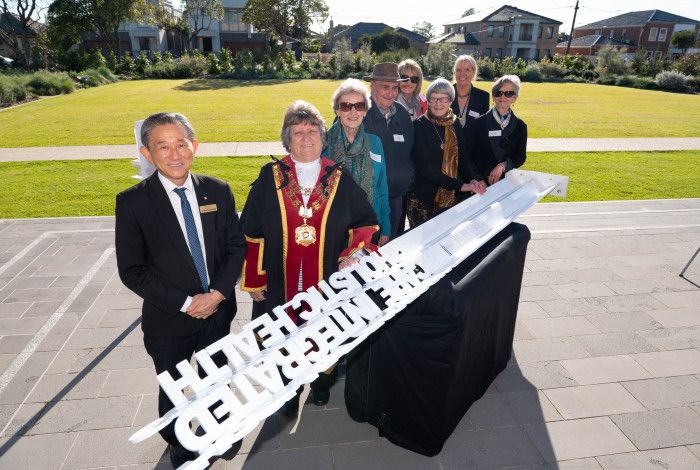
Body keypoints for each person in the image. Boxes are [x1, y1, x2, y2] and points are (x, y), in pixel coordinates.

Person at [115, 112, 246, 468]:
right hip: (168, 321)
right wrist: (188, 303)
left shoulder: (217, 190)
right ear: (146, 153)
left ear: (195, 146)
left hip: (217, 313)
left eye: (181, 144)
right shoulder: (133, 202)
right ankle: (179, 443)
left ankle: (219, 428)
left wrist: (217, 295)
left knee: (217, 377)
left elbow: (236, 248)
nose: (174, 154)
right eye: (163, 146)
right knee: (173, 388)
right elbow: (132, 271)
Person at [240, 100, 379, 411]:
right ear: (287, 138)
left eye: (312, 130)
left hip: (324, 277)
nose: (305, 137)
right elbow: (251, 229)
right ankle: (287, 392)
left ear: (322, 136)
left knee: (322, 332)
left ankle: (319, 382)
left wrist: (351, 254)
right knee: (281, 334)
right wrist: (254, 278)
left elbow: (366, 222)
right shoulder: (270, 176)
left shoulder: (337, 178)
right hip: (279, 278)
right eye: (297, 131)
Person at [408, 78, 486, 226]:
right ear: (428, 101)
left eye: (443, 98)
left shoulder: (454, 123)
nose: (438, 103)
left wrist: (473, 179)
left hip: (450, 197)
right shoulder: (418, 126)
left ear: (451, 100)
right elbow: (426, 169)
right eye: (434, 98)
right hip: (423, 199)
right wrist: (461, 186)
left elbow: (463, 157)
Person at [324, 78, 391, 246]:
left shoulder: (375, 143)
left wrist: (387, 227)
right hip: (334, 229)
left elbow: (381, 187)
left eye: (359, 106)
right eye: (346, 106)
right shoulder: (324, 144)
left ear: (365, 111)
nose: (353, 112)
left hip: (370, 225)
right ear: (337, 110)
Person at [362, 62, 415, 236]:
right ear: (372, 86)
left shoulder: (401, 113)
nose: (391, 93)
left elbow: (409, 151)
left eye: (395, 87)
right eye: (386, 87)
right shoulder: (358, 113)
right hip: (367, 201)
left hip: (395, 198)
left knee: (392, 250)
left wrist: (406, 177)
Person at [467, 75, 527, 186]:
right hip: (478, 185)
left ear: (514, 98)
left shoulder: (520, 126)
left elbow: (520, 157)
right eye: (498, 93)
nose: (502, 97)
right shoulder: (477, 124)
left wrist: (503, 166)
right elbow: (467, 156)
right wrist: (477, 179)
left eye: (508, 93)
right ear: (493, 96)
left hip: (506, 184)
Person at [450, 55, 490, 135]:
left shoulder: (483, 97)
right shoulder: (446, 93)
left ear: (474, 72)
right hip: (448, 146)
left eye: (467, 70)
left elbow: (484, 127)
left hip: (473, 146)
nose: (462, 74)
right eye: (458, 70)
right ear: (454, 72)